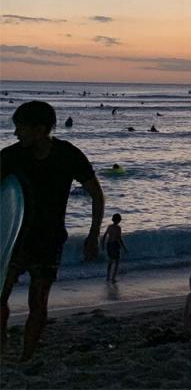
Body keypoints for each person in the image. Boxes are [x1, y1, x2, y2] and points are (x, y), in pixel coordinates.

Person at [0, 101, 104, 361]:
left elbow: (96, 195)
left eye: (21, 129)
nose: (16, 134)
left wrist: (93, 235)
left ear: (40, 129)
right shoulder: (10, 157)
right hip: (14, 241)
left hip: (48, 241)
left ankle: (27, 356)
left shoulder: (68, 155)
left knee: (38, 303)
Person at [100, 213, 128, 283]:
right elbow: (119, 238)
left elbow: (104, 236)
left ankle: (108, 277)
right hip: (115, 244)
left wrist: (103, 244)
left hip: (109, 244)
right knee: (117, 262)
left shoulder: (109, 227)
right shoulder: (118, 228)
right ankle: (113, 278)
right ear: (118, 220)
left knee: (110, 261)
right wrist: (124, 247)